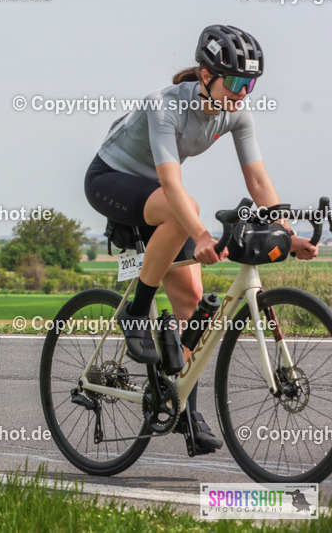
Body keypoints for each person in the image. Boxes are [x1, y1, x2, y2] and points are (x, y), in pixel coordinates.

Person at [84, 24, 318, 453]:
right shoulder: (164, 106)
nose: (243, 92)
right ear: (207, 75)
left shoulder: (237, 113)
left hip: (159, 198)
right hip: (111, 180)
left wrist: (290, 233)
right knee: (183, 206)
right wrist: (201, 234)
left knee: (192, 301)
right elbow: (172, 186)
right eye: (235, 81)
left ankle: (183, 410)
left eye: (249, 83)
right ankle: (135, 313)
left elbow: (259, 180)